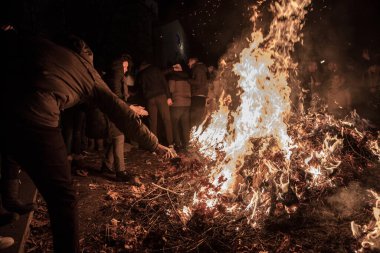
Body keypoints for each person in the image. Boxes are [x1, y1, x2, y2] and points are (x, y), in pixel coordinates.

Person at [0, 29, 175, 253]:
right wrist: (154, 145)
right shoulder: (88, 73)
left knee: (9, 148)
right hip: (36, 114)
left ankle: (10, 198)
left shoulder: (39, 42)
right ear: (86, 57)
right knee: (63, 198)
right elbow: (122, 113)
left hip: (5, 101)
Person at [101, 53, 148, 182]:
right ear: (118, 66)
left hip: (115, 110)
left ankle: (106, 165)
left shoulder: (118, 76)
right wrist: (131, 108)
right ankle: (120, 171)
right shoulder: (116, 76)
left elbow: (121, 96)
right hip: (112, 111)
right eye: (124, 67)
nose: (126, 69)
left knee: (117, 137)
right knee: (118, 137)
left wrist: (131, 105)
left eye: (127, 67)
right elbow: (116, 98)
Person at [136, 61, 174, 147]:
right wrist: (168, 97)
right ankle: (170, 143)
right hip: (161, 96)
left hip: (150, 99)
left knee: (153, 122)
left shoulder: (142, 74)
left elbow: (143, 88)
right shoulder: (156, 70)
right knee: (166, 119)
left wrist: (146, 97)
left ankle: (154, 145)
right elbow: (164, 83)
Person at [168, 64, 191, 151]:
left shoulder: (173, 77)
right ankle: (187, 143)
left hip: (177, 104)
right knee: (185, 125)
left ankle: (177, 143)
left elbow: (171, 89)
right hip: (187, 103)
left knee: (175, 124)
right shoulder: (187, 76)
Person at [187, 57, 208, 128]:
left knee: (195, 117)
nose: (188, 64)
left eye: (189, 62)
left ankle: (194, 135)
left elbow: (198, 82)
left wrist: (188, 80)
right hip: (201, 95)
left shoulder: (197, 68)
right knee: (199, 117)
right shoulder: (201, 68)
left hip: (197, 95)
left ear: (193, 61)